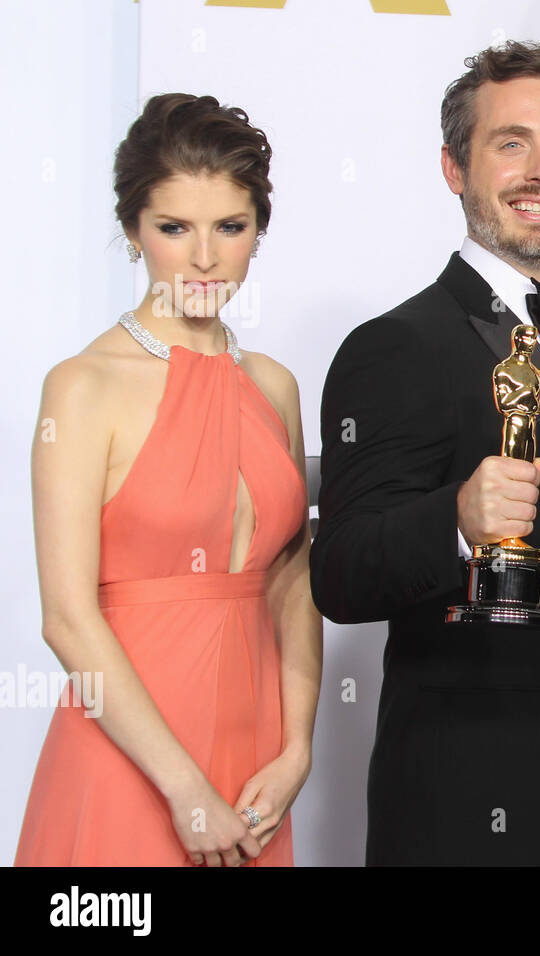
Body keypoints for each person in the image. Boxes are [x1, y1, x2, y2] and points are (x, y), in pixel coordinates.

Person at [309, 39, 540, 865]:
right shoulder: (395, 346)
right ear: (453, 167)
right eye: (511, 143)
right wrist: (456, 520)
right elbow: (343, 572)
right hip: (469, 814)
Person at [16, 93, 321, 866]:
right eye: (173, 228)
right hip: (130, 759)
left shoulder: (274, 386)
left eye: (231, 227)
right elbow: (65, 618)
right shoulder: (82, 386)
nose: (205, 257)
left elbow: (292, 578)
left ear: (259, 230)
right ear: (132, 232)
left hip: (255, 764)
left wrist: (297, 750)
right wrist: (183, 790)